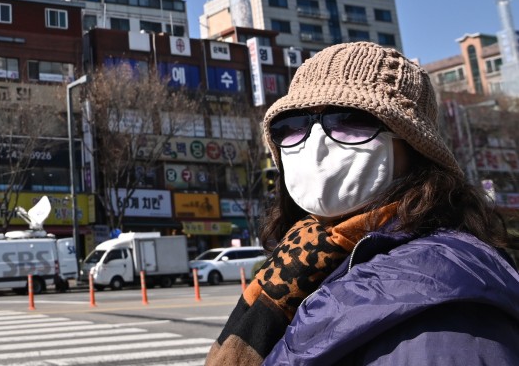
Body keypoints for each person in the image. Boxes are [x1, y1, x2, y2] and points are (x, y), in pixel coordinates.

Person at [207, 41, 519, 365]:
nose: (315, 143)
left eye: (349, 120)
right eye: (291, 126)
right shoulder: (303, 261)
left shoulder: (443, 297)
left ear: (414, 146)